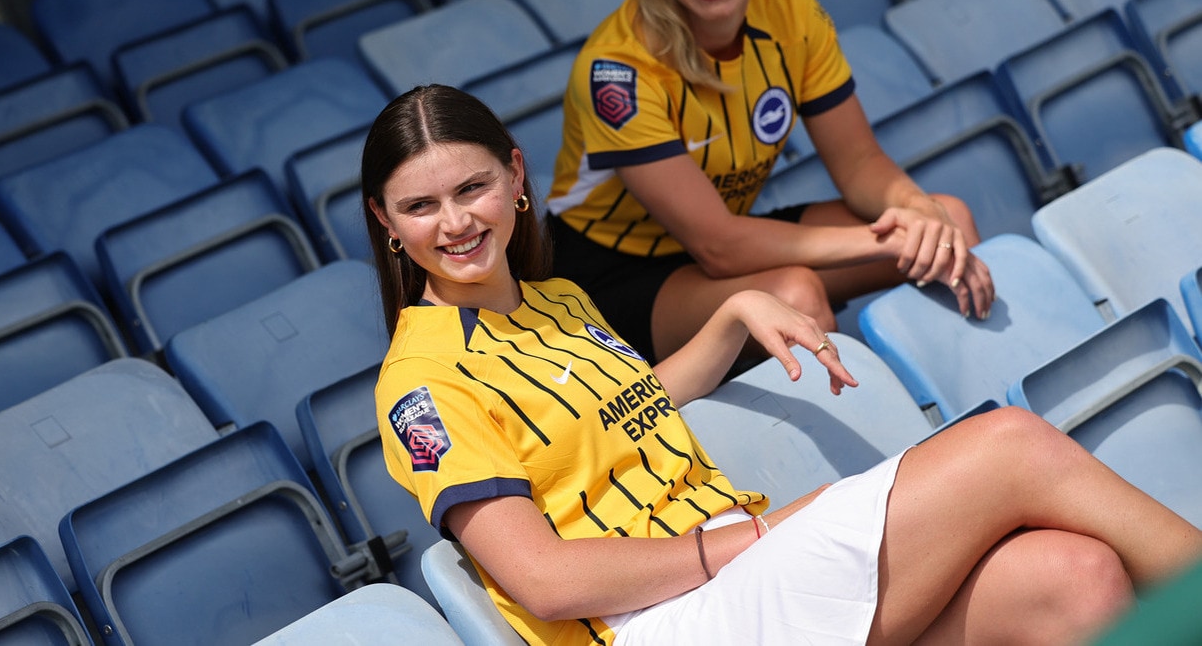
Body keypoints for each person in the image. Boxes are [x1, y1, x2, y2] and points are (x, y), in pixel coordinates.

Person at [364, 84, 1201, 646]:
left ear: (515, 177)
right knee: (1013, 445)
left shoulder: (558, 302)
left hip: (743, 573)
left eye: (470, 188)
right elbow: (542, 582)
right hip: (663, 622)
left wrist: (731, 315)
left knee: (1074, 579)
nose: (454, 223)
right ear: (387, 223)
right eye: (420, 206)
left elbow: (624, 410)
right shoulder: (420, 383)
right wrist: (740, 543)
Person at [546, 0, 995, 365]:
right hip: (610, 279)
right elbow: (720, 247)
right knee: (794, 295)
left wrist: (920, 214)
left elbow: (859, 164)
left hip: (721, 247)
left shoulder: (792, 12)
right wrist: (887, 241)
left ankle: (971, 400)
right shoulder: (616, 70)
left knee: (950, 227)